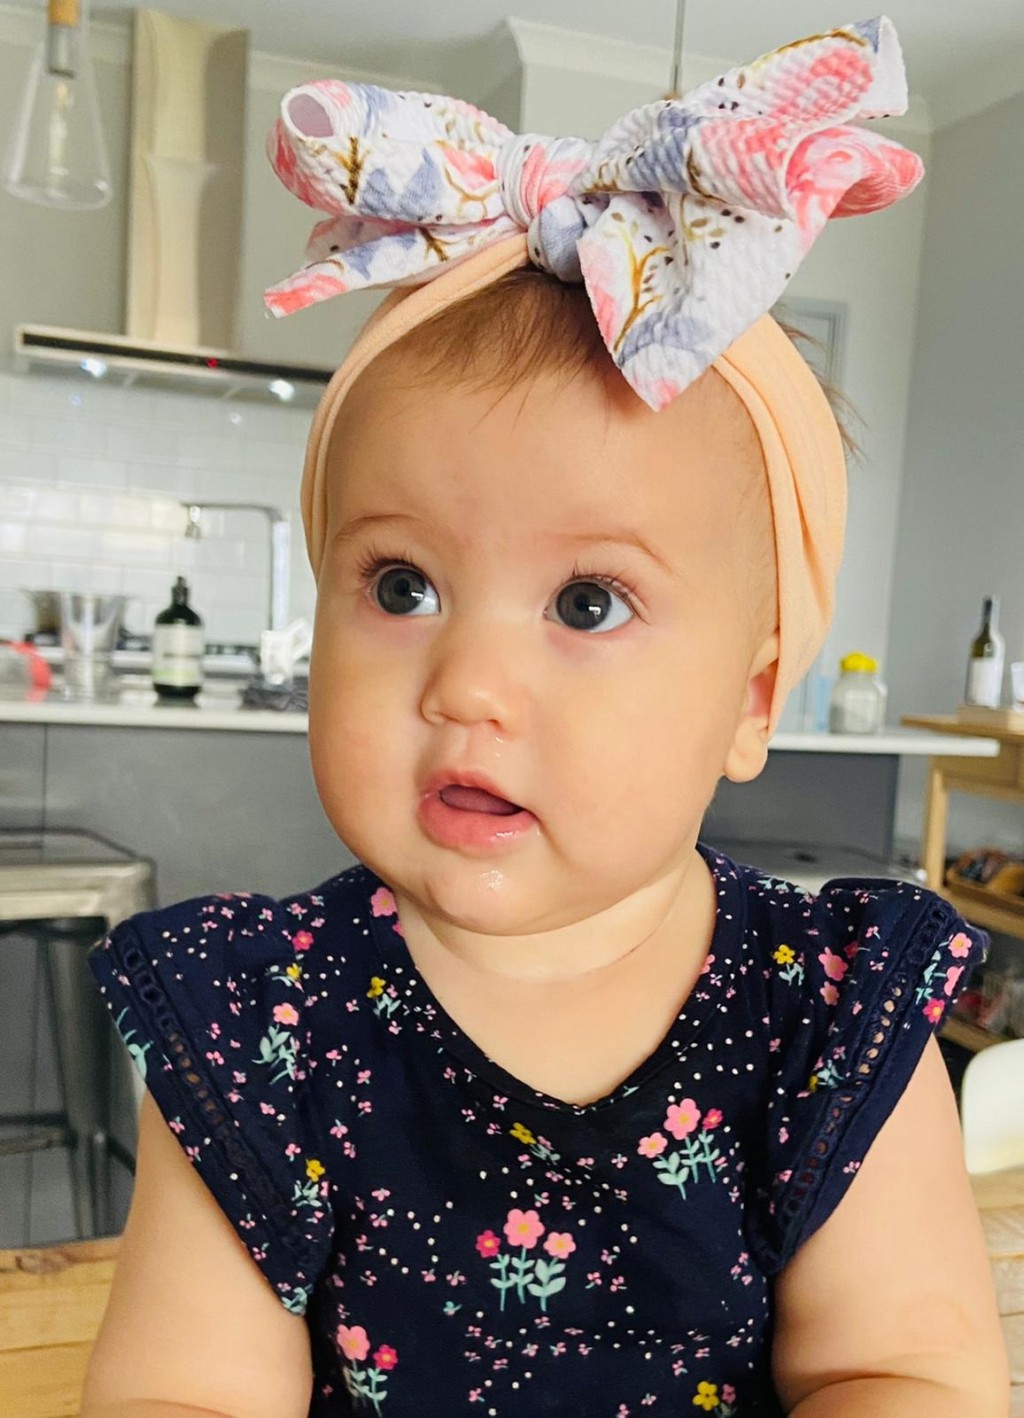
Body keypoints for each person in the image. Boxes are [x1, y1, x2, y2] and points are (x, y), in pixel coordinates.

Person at [80, 18, 1009, 1418]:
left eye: (587, 603)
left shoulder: (828, 1020)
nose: (467, 683)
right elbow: (182, 1391)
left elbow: (909, 1371)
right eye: (402, 584)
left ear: (754, 697)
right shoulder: (261, 1025)